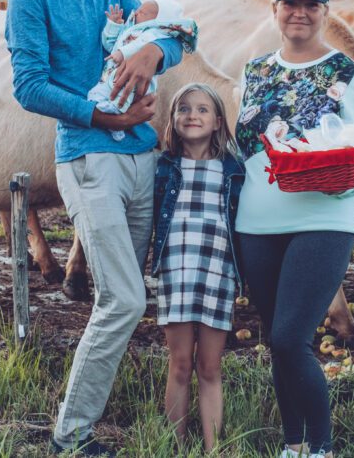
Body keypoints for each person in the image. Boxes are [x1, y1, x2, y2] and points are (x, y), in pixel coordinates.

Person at [4, 0, 185, 455]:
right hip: (88, 157)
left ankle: (94, 407)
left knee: (125, 292)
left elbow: (179, 35)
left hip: (141, 158)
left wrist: (155, 53)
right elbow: (29, 85)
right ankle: (70, 434)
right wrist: (105, 114)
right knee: (124, 299)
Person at [233, 0, 354, 458]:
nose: (299, 13)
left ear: (324, 11)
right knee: (277, 340)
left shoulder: (348, 74)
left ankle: (322, 447)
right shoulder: (254, 71)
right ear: (275, 10)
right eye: (289, 4)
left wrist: (341, 188)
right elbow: (245, 149)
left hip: (322, 220)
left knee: (290, 337)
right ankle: (292, 443)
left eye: (310, 5)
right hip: (256, 223)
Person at [150, 84, 244, 452]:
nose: (193, 115)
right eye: (184, 109)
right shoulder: (164, 167)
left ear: (218, 121)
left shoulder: (232, 171)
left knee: (209, 367)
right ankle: (173, 446)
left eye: (203, 110)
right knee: (179, 364)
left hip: (217, 274)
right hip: (176, 273)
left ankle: (213, 448)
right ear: (173, 120)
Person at [89, 0, 197, 140]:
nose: (136, 13)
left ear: (157, 21)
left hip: (132, 79)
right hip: (113, 74)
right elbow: (110, 45)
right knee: (97, 93)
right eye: (138, 10)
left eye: (143, 13)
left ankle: (115, 120)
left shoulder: (151, 34)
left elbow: (138, 46)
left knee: (123, 96)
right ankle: (112, 120)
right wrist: (114, 25)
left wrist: (125, 53)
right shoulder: (131, 30)